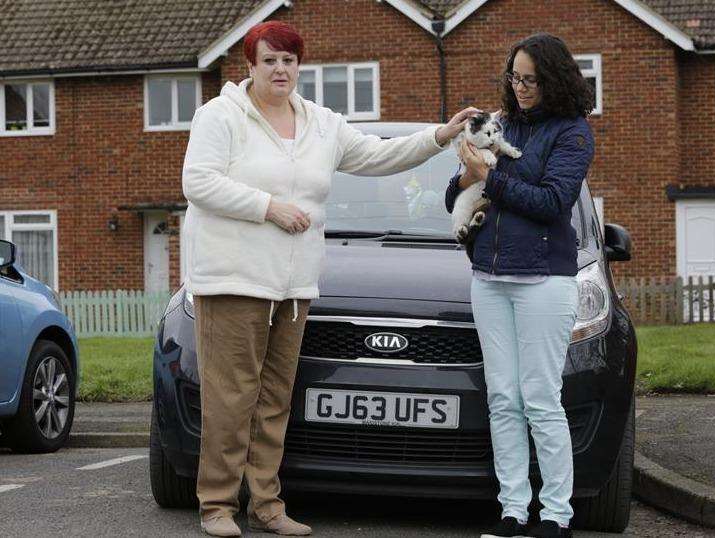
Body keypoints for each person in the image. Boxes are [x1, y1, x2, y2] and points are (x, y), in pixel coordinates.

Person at [181, 20, 478, 538]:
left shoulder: (320, 123)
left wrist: (441, 136)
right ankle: (218, 505)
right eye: (269, 59)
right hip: (232, 280)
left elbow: (379, 155)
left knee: (275, 400)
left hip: (294, 286)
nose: (280, 69)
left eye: (289, 60)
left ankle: (267, 506)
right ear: (249, 65)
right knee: (231, 398)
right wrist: (268, 207)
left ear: (300, 66)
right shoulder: (221, 115)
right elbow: (198, 182)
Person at [445, 33, 595, 538]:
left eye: (531, 79)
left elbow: (553, 201)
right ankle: (513, 511)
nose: (521, 87)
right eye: (515, 76)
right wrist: (467, 178)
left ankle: (556, 516)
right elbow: (453, 195)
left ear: (553, 79)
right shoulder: (498, 123)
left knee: (539, 398)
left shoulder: (572, 132)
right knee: (502, 398)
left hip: (543, 280)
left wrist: (489, 179)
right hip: (488, 277)